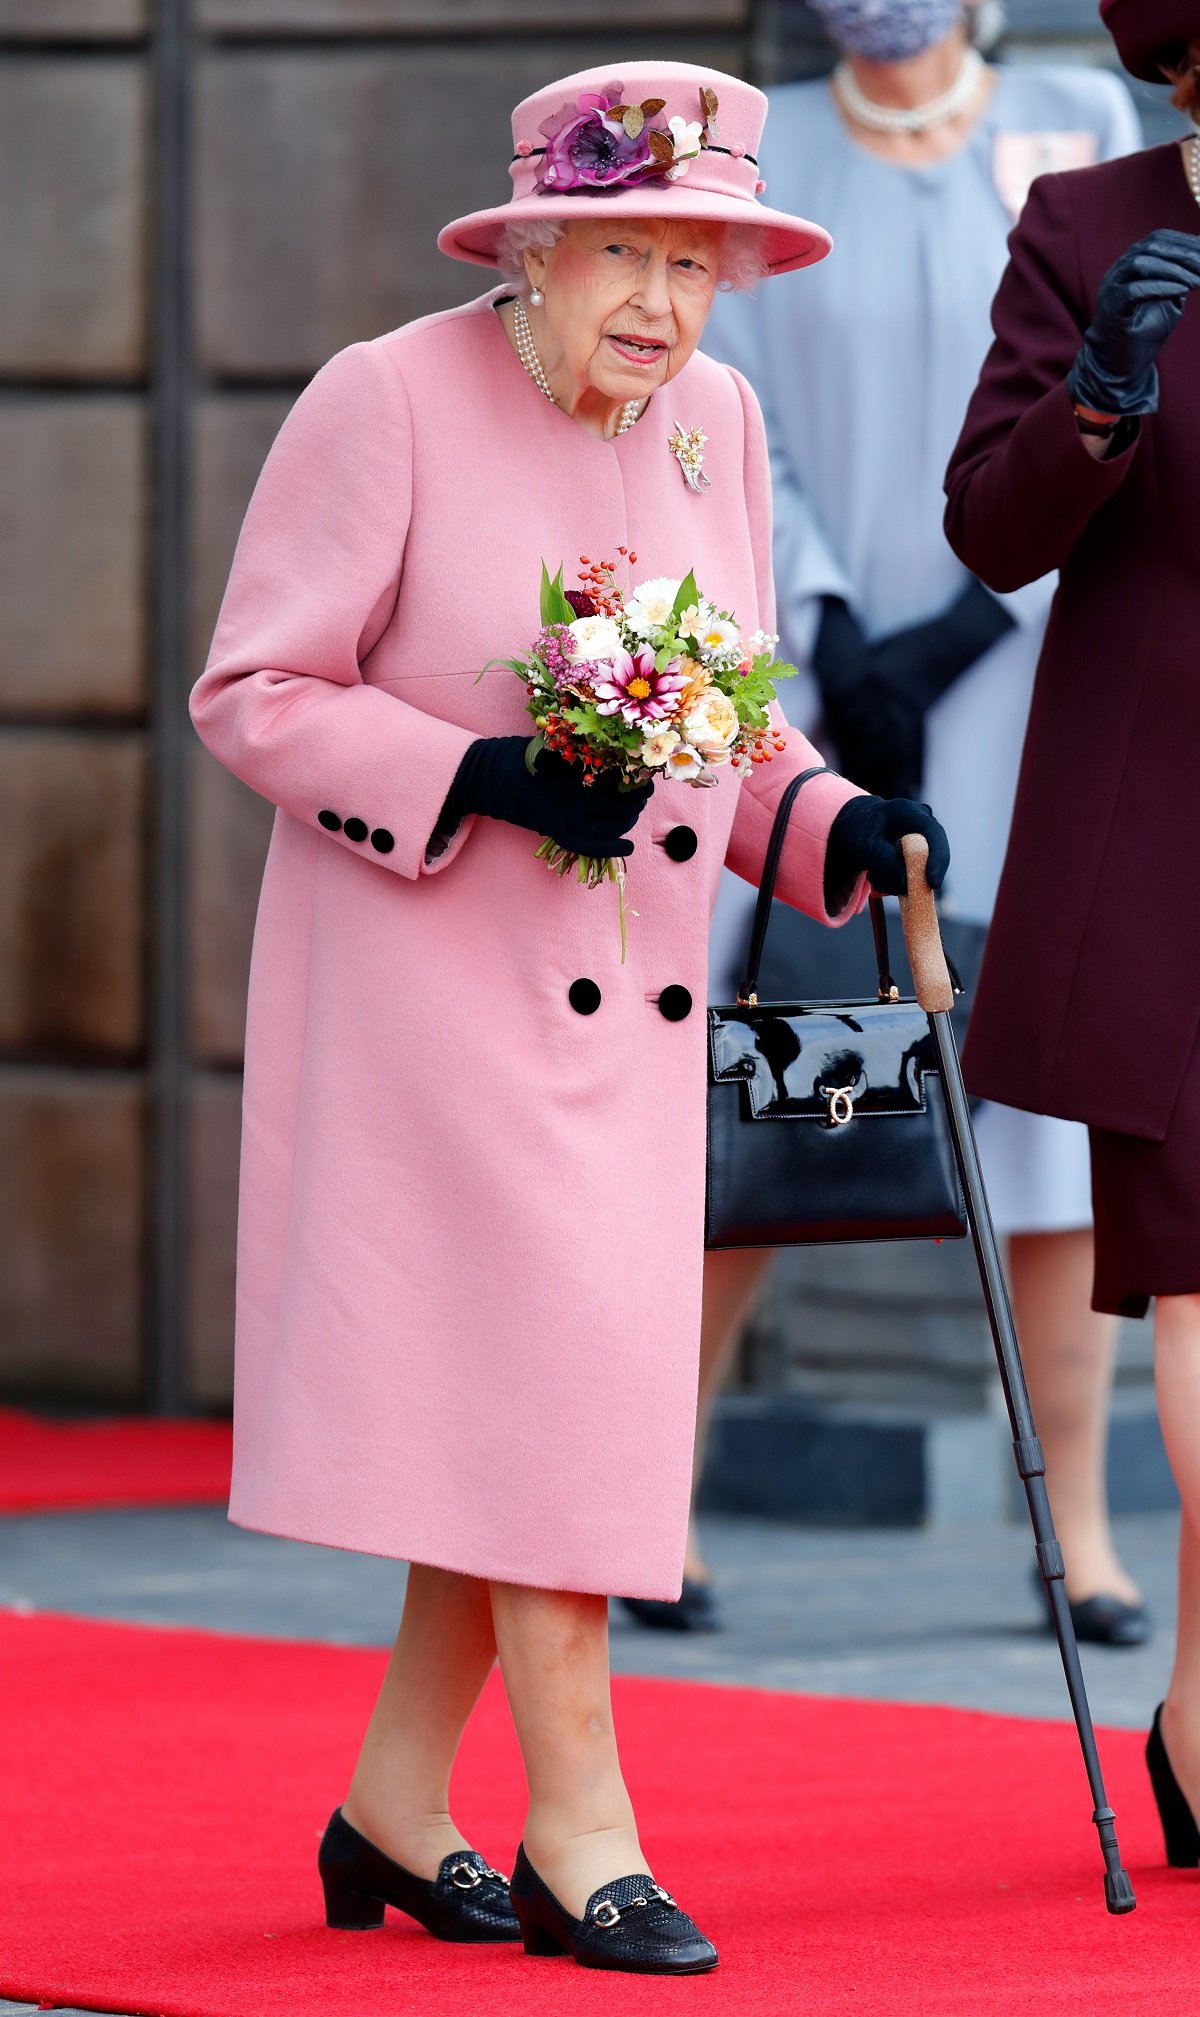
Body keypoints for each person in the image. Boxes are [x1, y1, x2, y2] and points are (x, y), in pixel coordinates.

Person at [190, 60, 949, 1974]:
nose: (661, 301)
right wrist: (482, 773)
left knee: (531, 1414)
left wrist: (830, 815)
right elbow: (255, 688)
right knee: (555, 1411)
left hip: (624, 1027)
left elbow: (730, 719)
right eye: (625, 246)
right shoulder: (388, 396)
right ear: (531, 246)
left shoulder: (717, 419)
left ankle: (388, 1803)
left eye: (697, 261)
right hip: (437, 1011)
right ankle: (583, 1830)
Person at [625, 0, 1145, 1644]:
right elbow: (726, 412)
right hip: (820, 697)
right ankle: (654, 1502)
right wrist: (841, 628)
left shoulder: (1077, 127)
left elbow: (1122, 392)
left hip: (1040, 680)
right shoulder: (759, 140)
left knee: (1053, 1138)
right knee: (786, 1094)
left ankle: (1078, 1533)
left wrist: (974, 622)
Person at [944, 0, 1200, 1866]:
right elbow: (990, 527)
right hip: (1164, 815)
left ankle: (1193, 1715)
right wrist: (1101, 396)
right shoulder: (1089, 218)